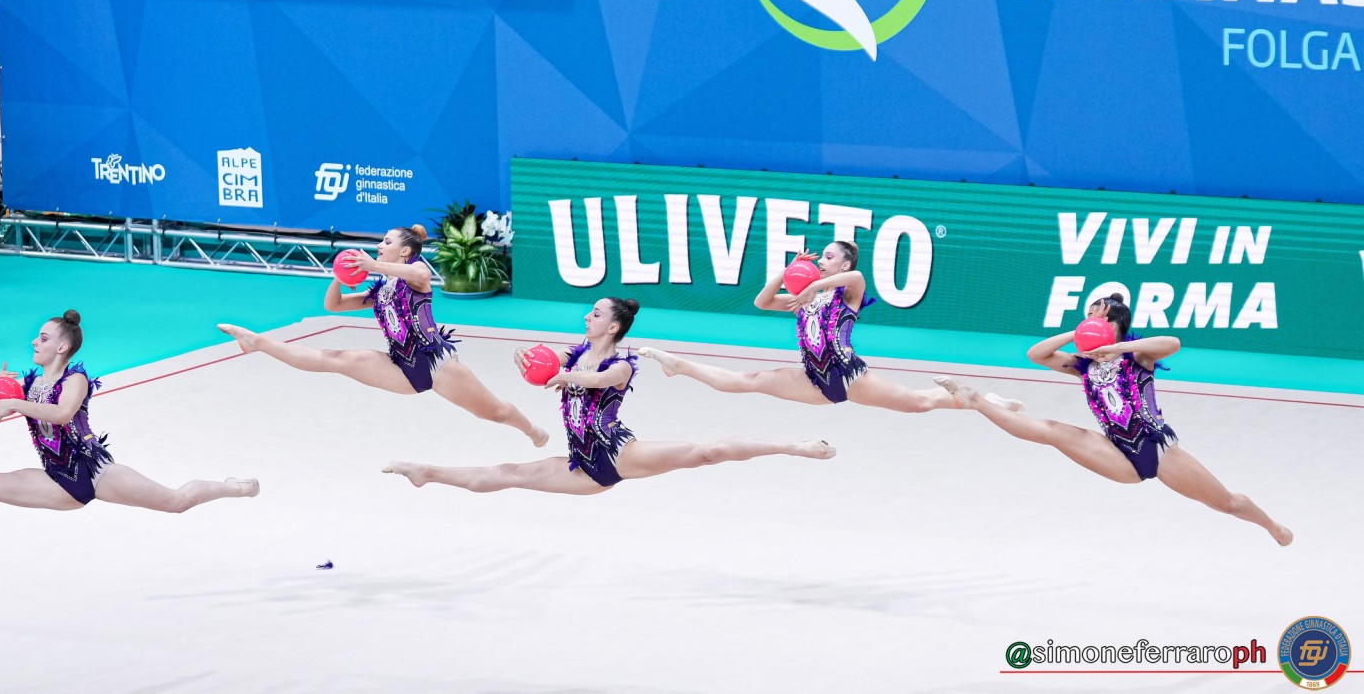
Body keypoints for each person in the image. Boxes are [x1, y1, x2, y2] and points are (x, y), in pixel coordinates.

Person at [937, 294, 1292, 545]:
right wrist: (1079, 334)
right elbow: (1037, 354)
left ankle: (1271, 525)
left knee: (1228, 503)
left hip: (1158, 450)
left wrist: (1117, 347)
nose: (1089, 320)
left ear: (1113, 322)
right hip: (1115, 452)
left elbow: (1173, 343)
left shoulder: (1137, 357)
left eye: (1096, 315)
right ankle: (976, 400)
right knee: (1053, 432)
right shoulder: (1083, 365)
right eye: (1087, 316)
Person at [382, 297, 834, 494]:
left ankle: (793, 447)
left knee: (707, 452)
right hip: (581, 466)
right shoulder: (576, 352)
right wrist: (528, 357)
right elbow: (547, 362)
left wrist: (564, 376)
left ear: (613, 326)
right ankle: (427, 473)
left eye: (595, 314)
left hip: (618, 453)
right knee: (509, 473)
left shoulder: (622, 364)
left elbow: (597, 382)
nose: (587, 317)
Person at [0, 310, 260, 512]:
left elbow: (64, 414)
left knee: (175, 502)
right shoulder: (30, 383)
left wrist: (16, 402)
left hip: (96, 472)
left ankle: (231, 486)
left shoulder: (76, 379)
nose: (35, 342)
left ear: (62, 347)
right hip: (57, 477)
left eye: (43, 338)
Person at [218, 224, 549, 447]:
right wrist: (340, 276)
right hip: (400, 366)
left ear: (405, 251)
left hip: (437, 364)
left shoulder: (416, 273)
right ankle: (258, 342)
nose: (379, 246)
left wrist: (372, 267)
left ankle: (531, 430)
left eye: (387, 242)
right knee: (335, 359)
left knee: (494, 413)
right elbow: (333, 305)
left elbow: (418, 273)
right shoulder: (379, 291)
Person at [640, 241, 1022, 413]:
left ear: (843, 264)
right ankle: (679, 365)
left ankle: (986, 401)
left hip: (849, 374)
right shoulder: (804, 299)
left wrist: (811, 287)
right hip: (813, 379)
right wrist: (787, 273)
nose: (820, 261)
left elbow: (856, 278)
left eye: (827, 257)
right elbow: (761, 302)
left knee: (918, 403)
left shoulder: (847, 293)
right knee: (750, 379)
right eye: (820, 257)